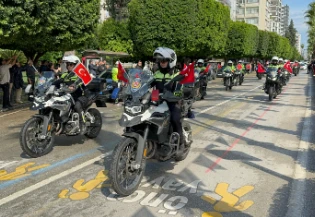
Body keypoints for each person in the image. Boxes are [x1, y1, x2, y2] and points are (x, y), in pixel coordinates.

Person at [151, 47, 187, 154]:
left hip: (173, 102)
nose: (161, 63)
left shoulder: (176, 75)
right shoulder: (156, 74)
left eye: (164, 60)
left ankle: (181, 142)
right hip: (158, 102)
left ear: (171, 61)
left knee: (175, 118)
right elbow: (148, 85)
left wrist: (173, 95)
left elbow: (179, 91)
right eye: (160, 61)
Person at [53, 55, 89, 134]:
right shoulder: (65, 74)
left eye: (71, 64)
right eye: (67, 64)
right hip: (68, 95)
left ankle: (82, 124)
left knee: (77, 106)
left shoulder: (80, 74)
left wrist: (74, 85)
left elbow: (80, 80)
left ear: (76, 65)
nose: (68, 66)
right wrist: (48, 85)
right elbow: (58, 81)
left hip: (80, 96)